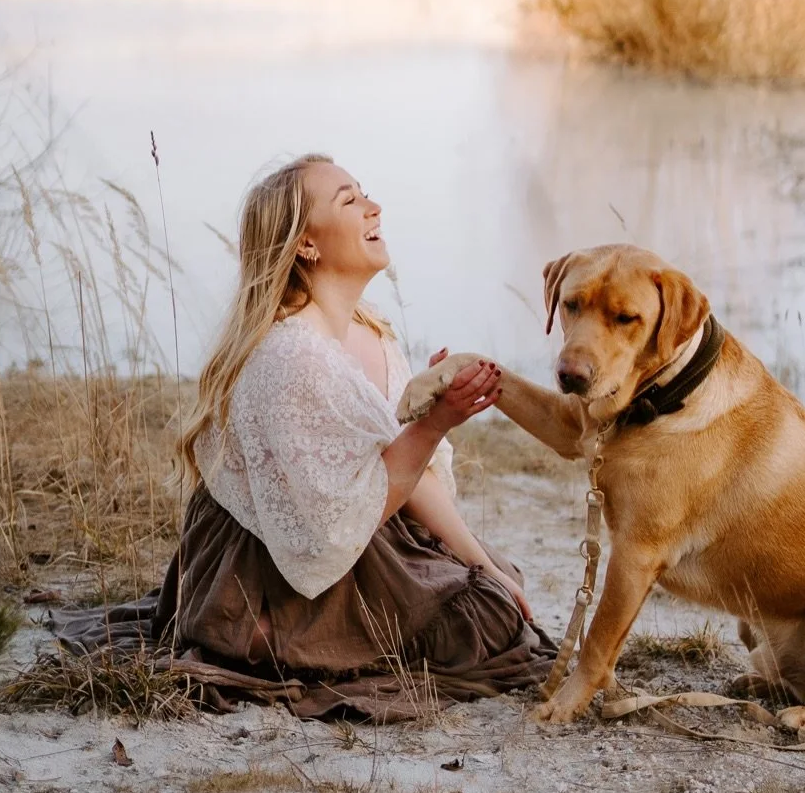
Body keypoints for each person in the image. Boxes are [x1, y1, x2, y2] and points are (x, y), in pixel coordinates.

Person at [152, 153, 554, 719]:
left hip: (350, 528)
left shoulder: (369, 331)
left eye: (364, 193)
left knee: (497, 584)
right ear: (305, 244)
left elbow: (407, 477)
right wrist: (432, 424)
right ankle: (268, 636)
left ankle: (332, 630)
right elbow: (332, 529)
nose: (374, 207)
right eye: (349, 200)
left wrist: (480, 561)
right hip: (271, 565)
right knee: (482, 619)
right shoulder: (291, 358)